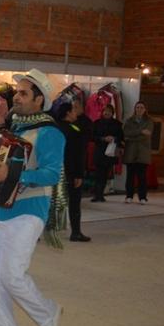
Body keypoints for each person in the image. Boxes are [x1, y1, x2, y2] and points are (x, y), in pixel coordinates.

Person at [0, 68, 65, 326]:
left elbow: (52, 174)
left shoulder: (50, 133)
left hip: (30, 209)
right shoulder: (13, 128)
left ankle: (48, 312)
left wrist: (15, 177)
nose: (17, 96)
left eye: (23, 93)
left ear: (39, 100)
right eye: (17, 91)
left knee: (12, 275)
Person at [56, 101, 91, 242]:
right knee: (74, 202)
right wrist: (79, 174)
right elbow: (79, 154)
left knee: (50, 201)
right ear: (68, 113)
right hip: (70, 172)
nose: (76, 113)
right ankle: (76, 232)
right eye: (74, 110)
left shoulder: (54, 128)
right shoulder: (75, 130)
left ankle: (38, 232)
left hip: (54, 170)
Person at [123, 101, 153, 204]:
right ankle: (129, 196)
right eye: (137, 107)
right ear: (135, 109)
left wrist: (132, 137)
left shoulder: (149, 121)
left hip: (143, 153)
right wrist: (140, 131)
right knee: (130, 176)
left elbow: (146, 136)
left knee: (142, 177)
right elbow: (126, 133)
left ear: (145, 110)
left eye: (141, 107)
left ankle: (143, 197)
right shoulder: (129, 121)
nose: (139, 109)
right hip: (130, 152)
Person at [91, 105, 123, 202]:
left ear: (112, 113)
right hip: (99, 151)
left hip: (110, 152)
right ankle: (97, 194)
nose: (106, 113)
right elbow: (92, 136)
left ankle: (101, 194)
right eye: (105, 111)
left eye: (109, 111)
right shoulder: (96, 123)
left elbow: (121, 137)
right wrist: (103, 138)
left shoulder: (117, 124)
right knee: (97, 174)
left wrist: (114, 138)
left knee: (105, 174)